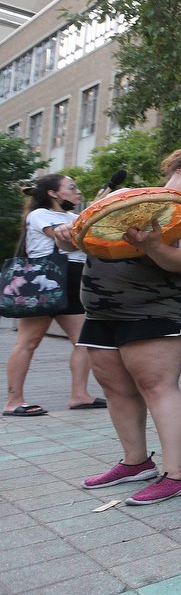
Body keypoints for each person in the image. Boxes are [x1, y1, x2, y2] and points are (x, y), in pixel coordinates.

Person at [55, 148, 181, 505]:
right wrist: (65, 233)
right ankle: (135, 463)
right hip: (102, 311)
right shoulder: (123, 200)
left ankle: (177, 474)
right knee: (116, 389)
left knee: (157, 386)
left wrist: (151, 244)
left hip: (157, 310)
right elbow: (86, 232)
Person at [4, 175, 103, 416]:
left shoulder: (73, 218)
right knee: (28, 341)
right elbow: (67, 237)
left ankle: (79, 396)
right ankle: (13, 401)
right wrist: (94, 213)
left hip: (73, 279)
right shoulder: (39, 215)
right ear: (53, 193)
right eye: (71, 188)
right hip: (44, 280)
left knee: (83, 341)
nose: (77, 192)